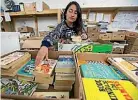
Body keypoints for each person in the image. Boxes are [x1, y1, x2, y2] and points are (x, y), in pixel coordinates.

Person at [35, 1, 88, 66]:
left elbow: (85, 36)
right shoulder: (61, 26)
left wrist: (84, 36)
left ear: (78, 16)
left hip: (77, 54)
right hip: (63, 56)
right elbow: (51, 36)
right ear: (65, 13)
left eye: (75, 13)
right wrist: (44, 45)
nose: (72, 15)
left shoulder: (79, 26)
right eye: (70, 11)